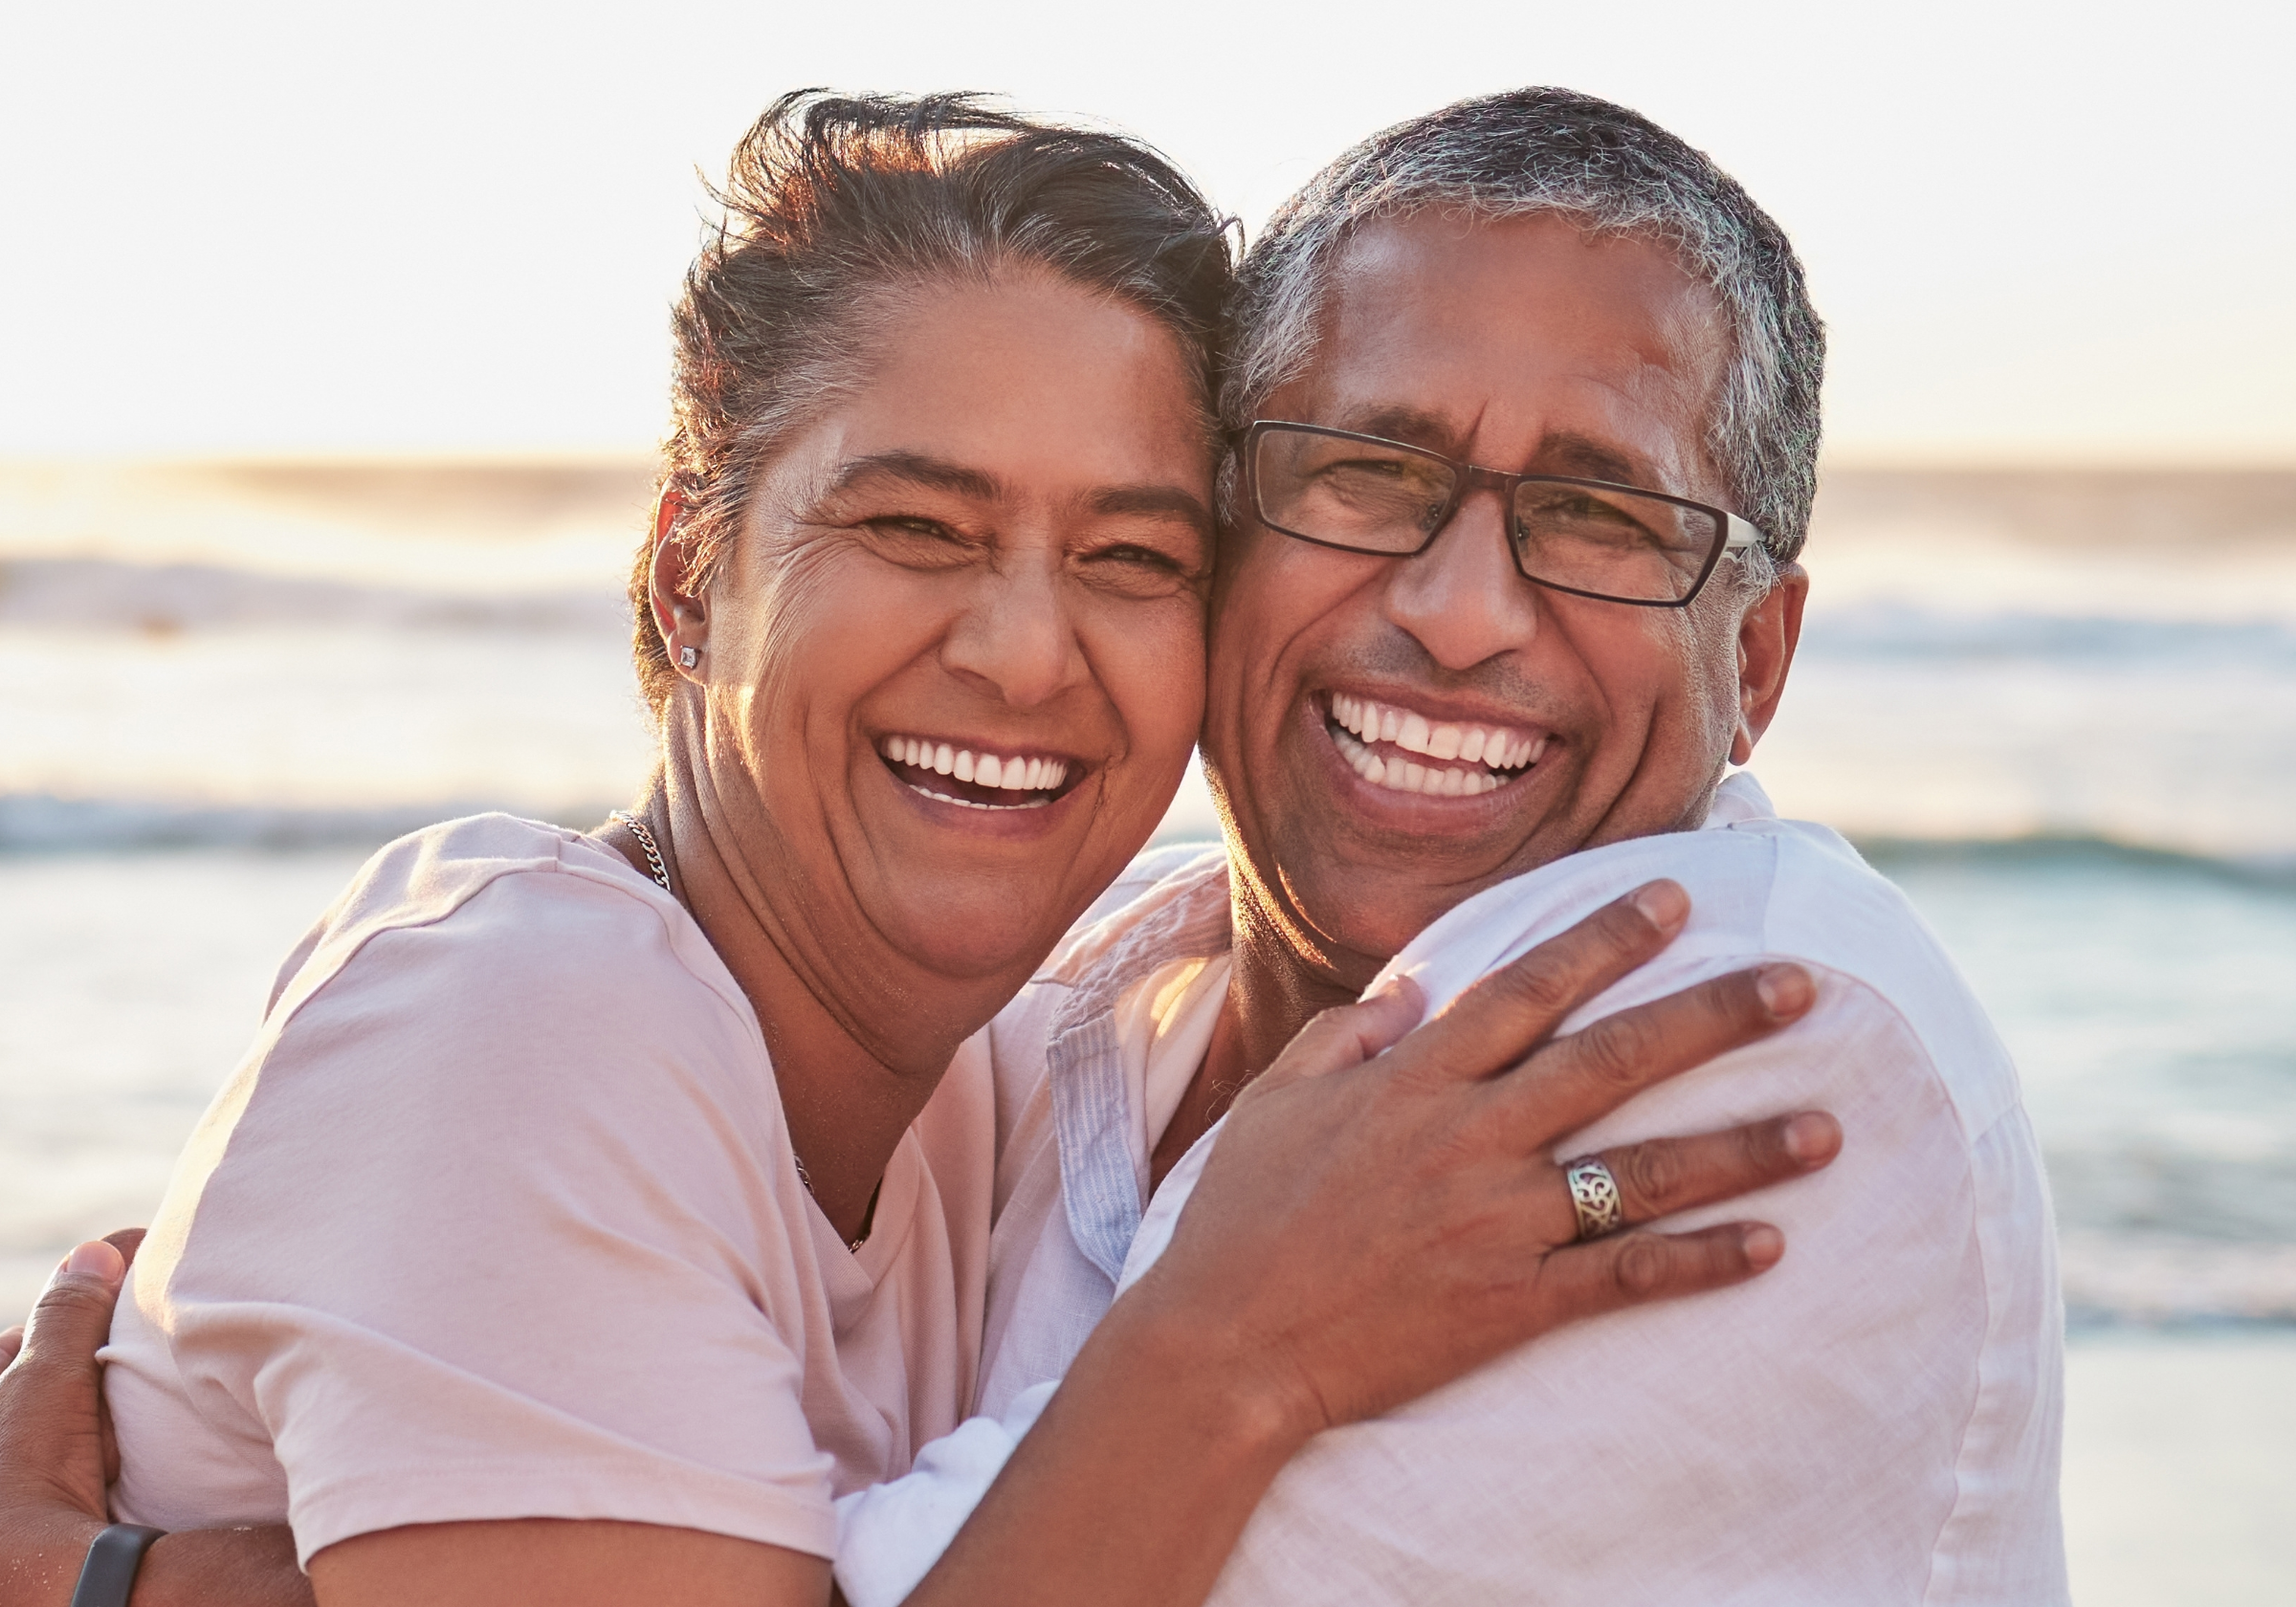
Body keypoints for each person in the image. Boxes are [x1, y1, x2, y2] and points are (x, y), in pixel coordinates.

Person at [0, 92, 1835, 1607]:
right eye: (916, 525)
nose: (1027, 653)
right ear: (694, 570)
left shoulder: (1020, 1090)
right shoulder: (518, 1013)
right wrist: (1232, 1350)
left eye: (1133, 557)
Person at [828, 88, 2069, 1605]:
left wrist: (1226, 1354)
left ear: (1755, 660)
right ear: (1220, 523)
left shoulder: (1754, 1028)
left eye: (1601, 513)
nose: (1458, 609)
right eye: (1368, 472)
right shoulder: (1082, 989)